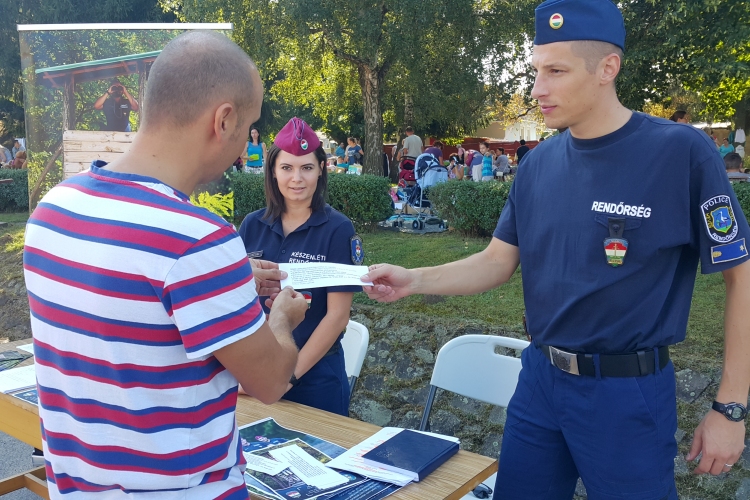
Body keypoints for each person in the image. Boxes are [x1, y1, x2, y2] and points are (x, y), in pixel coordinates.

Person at [362, 1, 750, 498]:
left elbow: (741, 277)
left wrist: (730, 408)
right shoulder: (539, 164)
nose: (537, 89)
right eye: (536, 71)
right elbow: (496, 261)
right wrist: (414, 280)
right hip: (540, 381)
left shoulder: (680, 153)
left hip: (626, 394)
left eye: (556, 71)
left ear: (608, 68)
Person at [23, 31, 309, 499]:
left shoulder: (54, 209)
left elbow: (129, 304)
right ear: (224, 119)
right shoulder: (199, 241)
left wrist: (227, 284)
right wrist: (282, 317)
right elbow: (271, 380)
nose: (243, 147)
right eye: (248, 126)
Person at [238, 117, 362, 416]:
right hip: (254, 373)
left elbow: (337, 316)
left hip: (314, 378)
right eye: (287, 168)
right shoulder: (251, 225)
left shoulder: (338, 229)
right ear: (273, 171)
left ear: (321, 169)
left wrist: (288, 377)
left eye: (306, 167)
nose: (297, 178)